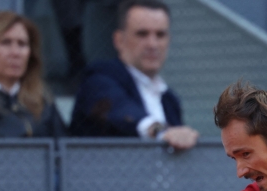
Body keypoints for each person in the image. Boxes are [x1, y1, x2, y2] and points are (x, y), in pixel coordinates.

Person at [69, 0, 199, 150]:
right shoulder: (99, 79)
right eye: (142, 34)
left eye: (160, 35)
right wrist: (159, 131)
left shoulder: (170, 101)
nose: (152, 44)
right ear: (119, 40)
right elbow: (119, 108)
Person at [0, 11, 66, 140]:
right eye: (5, 43)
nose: (15, 53)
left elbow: (64, 151)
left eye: (22, 44)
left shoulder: (43, 102)